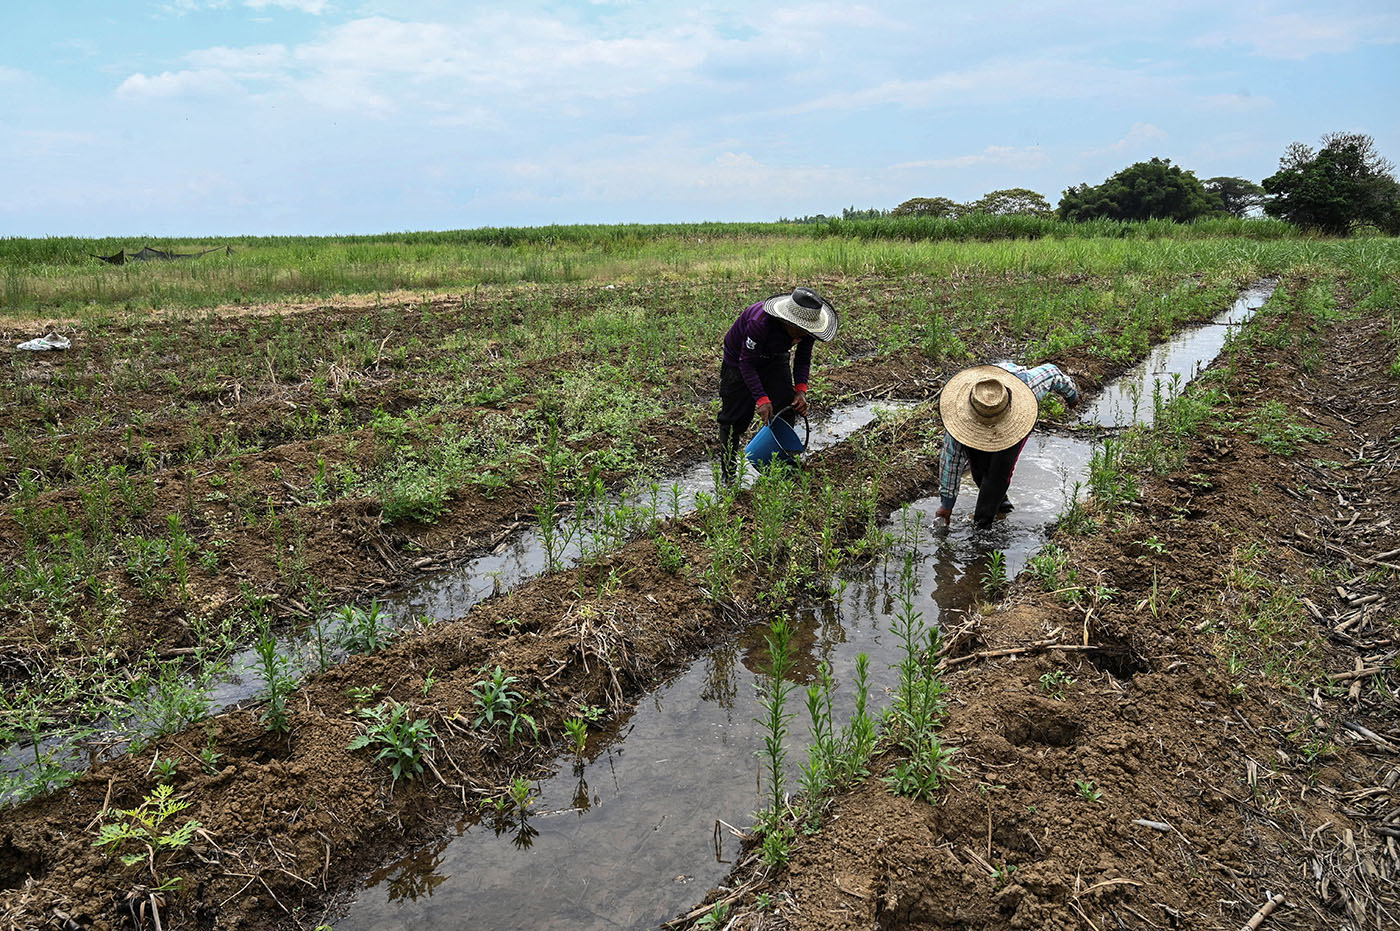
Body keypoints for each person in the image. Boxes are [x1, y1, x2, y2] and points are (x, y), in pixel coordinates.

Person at [935, 361, 1079, 528]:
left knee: (998, 473)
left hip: (1012, 420)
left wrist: (1072, 395)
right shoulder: (959, 421)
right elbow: (950, 462)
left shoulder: (1027, 386)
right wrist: (946, 505)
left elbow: (1053, 373)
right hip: (979, 411)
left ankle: (983, 528)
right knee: (979, 469)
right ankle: (1002, 506)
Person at [717, 286, 839, 484]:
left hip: (774, 357)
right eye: (799, 330)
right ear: (786, 321)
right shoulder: (759, 323)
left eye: (806, 332)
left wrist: (801, 390)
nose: (802, 336)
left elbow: (803, 357)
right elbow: (746, 363)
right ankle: (728, 476)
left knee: (786, 407)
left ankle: (778, 464)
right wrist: (762, 399)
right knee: (733, 420)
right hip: (739, 361)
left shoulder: (807, 330)